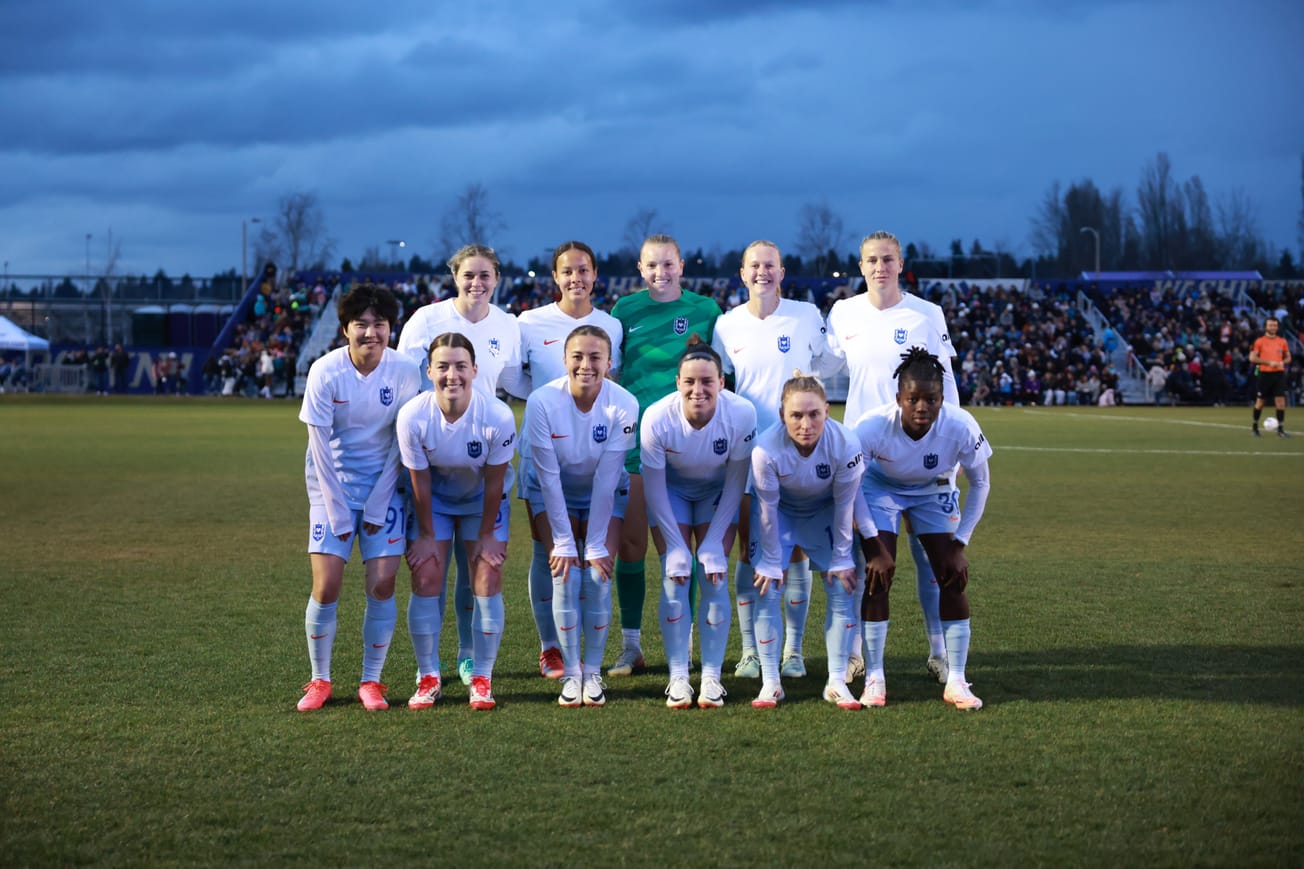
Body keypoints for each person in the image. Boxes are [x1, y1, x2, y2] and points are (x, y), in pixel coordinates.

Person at [826, 230, 959, 685]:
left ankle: (939, 653)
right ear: (860, 266)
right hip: (868, 462)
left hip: (925, 458)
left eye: (887, 259)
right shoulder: (843, 313)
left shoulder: (926, 314)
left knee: (932, 563)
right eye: (870, 260)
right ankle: (857, 655)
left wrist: (952, 449)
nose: (879, 267)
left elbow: (948, 386)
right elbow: (822, 368)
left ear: (901, 263)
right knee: (869, 562)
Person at [397, 244, 523, 686]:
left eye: (486, 275)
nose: (477, 283)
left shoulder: (507, 325)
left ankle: (471, 659)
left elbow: (512, 380)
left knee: (478, 575)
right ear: (455, 276)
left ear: (497, 278)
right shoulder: (426, 321)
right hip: (434, 453)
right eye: (469, 275)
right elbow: (405, 376)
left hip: (483, 452)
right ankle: (427, 671)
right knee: (429, 569)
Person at [711, 240, 836, 681]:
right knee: (752, 550)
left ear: (782, 272)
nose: (762, 272)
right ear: (742, 274)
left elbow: (828, 366)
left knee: (796, 552)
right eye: (754, 266)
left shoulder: (804, 316)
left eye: (770, 265)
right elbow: (722, 385)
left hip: (798, 447)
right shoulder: (726, 326)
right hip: (749, 452)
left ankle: (794, 652)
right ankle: (749, 650)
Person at [295, 284, 421, 712]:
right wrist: (337, 509)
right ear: (345, 329)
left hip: (385, 487)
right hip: (331, 488)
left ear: (391, 328)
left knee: (382, 584)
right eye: (361, 325)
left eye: (379, 324)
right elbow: (319, 446)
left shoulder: (405, 371)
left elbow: (399, 445)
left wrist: (378, 502)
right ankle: (319, 680)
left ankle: (372, 680)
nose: (371, 333)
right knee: (327, 585)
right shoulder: (325, 371)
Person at [852, 347, 993, 711]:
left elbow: (981, 484)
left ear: (942, 399)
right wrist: (873, 545)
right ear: (898, 398)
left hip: (933, 488)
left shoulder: (960, 426)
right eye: (912, 399)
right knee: (878, 575)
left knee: (951, 573)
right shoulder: (870, 427)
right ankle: (875, 678)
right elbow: (850, 486)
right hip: (880, 488)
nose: (921, 407)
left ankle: (957, 679)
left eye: (930, 399)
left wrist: (960, 543)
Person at [508, 241, 624, 680]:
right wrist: (546, 405)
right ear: (555, 277)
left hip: (598, 455)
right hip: (543, 452)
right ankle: (551, 648)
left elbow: (612, 380)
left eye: (583, 270)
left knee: (592, 555)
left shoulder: (610, 324)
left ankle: (586, 651)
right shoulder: (529, 322)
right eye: (566, 271)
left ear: (596, 275)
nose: (575, 278)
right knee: (550, 553)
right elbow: (513, 378)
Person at [608, 234, 722, 677]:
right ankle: (631, 645)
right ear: (640, 268)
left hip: (692, 443)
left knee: (687, 552)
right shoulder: (624, 311)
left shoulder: (706, 310)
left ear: (681, 264)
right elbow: (616, 371)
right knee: (633, 545)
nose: (661, 273)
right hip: (639, 441)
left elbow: (717, 374)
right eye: (652, 266)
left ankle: (685, 643)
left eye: (668, 264)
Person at [524, 325, 639, 706]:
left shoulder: (624, 403)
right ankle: (570, 674)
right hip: (549, 489)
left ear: (610, 362)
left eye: (595, 357)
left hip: (601, 494)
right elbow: (548, 476)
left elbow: (608, 479)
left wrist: (594, 546)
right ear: (565, 361)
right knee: (564, 573)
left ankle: (592, 674)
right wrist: (562, 541)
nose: (586, 365)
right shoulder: (542, 401)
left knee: (598, 575)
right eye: (577, 356)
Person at [641, 340, 756, 708]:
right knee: (674, 575)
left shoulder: (742, 414)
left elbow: (737, 482)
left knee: (713, 574)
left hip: (716, 494)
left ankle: (711, 677)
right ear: (677, 382)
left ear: (722, 382)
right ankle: (677, 677)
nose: (698, 389)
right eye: (690, 381)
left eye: (707, 381)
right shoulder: (657, 418)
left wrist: (713, 542)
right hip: (671, 494)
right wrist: (675, 546)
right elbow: (655, 489)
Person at [749, 372, 864, 710]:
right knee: (767, 587)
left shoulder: (846, 444)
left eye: (814, 414)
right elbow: (767, 509)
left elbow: (845, 504)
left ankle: (836, 680)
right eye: (796, 415)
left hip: (823, 514)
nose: (805, 424)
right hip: (781, 516)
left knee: (842, 585)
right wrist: (771, 562)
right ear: (782, 414)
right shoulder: (764, 449)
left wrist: (843, 556)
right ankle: (771, 681)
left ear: (827, 411)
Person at [1249, 316, 1291, 437]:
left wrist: (1284, 362)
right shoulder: (1259, 341)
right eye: (1270, 325)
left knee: (1281, 402)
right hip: (1264, 374)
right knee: (1260, 402)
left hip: (1278, 374)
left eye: (1275, 325)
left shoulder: (1282, 341)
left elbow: (1288, 357)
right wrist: (1268, 362)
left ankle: (1281, 430)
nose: (1273, 327)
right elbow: (1252, 358)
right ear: (1266, 327)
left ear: (1277, 327)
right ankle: (1255, 428)